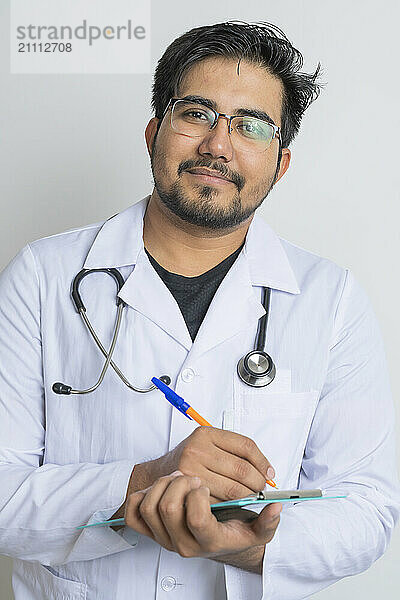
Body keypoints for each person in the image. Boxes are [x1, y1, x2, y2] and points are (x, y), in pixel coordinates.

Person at [0, 20, 399, 600]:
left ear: (280, 162)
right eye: (195, 113)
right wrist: (141, 483)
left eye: (252, 126)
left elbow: (367, 512)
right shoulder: (41, 278)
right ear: (153, 131)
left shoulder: (330, 301)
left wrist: (244, 545)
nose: (217, 145)